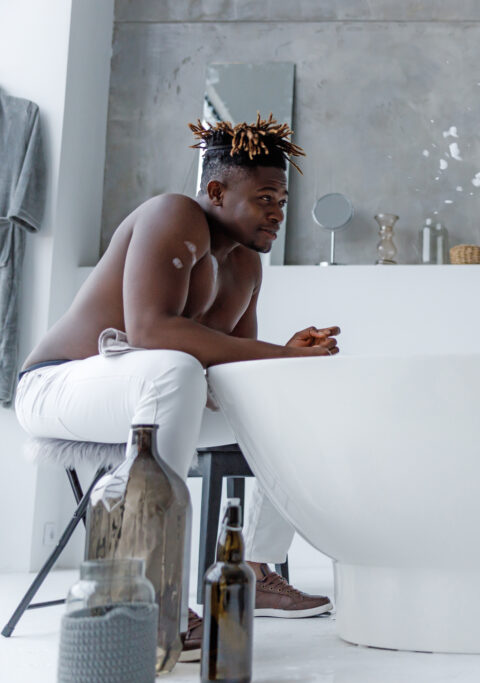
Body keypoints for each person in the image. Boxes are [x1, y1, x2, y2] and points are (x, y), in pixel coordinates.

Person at [15, 115, 336, 662]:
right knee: (175, 368)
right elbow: (150, 331)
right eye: (264, 199)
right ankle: (151, 595)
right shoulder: (174, 214)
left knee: (287, 394)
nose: (278, 213)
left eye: (282, 201)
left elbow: (234, 372)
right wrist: (280, 353)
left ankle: (253, 567)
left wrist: (286, 360)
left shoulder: (247, 265)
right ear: (217, 191)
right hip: (60, 384)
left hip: (154, 395)